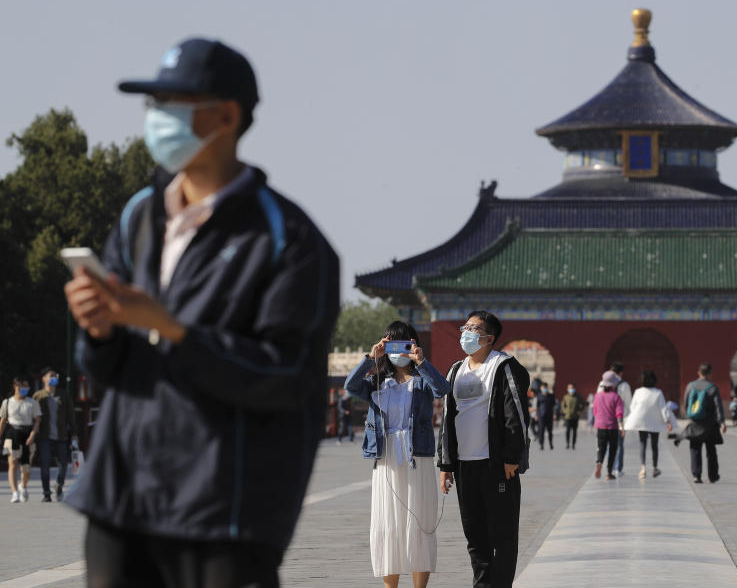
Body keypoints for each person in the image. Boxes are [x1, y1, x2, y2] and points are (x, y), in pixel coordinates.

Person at [63, 37, 340, 587]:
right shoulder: (140, 216)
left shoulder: (289, 239)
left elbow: (284, 375)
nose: (158, 119)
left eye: (174, 103)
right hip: (123, 499)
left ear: (227, 115)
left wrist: (171, 328)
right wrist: (97, 330)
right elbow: (108, 369)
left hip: (225, 511)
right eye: (154, 104)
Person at [345, 321, 451, 588]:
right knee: (387, 523)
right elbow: (350, 385)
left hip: (418, 456)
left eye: (404, 344)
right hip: (386, 457)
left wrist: (422, 362)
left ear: (414, 345)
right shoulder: (376, 382)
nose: (398, 350)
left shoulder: (422, 382)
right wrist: (371, 358)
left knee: (420, 522)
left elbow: (442, 389)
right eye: (391, 343)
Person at [437, 310, 530, 588]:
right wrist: (446, 465)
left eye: (473, 328)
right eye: (465, 326)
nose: (465, 332)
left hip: (497, 465)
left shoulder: (504, 366)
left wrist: (512, 457)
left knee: (501, 536)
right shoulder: (456, 370)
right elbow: (447, 419)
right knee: (475, 535)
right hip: (466, 466)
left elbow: (517, 414)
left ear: (489, 338)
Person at [33, 368, 78, 502]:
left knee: (63, 466)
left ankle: (59, 486)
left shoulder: (63, 395)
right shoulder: (38, 396)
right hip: (45, 437)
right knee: (45, 465)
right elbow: (33, 417)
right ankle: (46, 493)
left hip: (61, 437)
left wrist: (75, 434)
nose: (53, 378)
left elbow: (71, 415)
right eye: (50, 376)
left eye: (55, 376)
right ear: (44, 379)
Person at [677, 364, 725, 484]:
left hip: (695, 422)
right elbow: (718, 406)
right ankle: (713, 476)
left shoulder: (690, 386)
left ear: (698, 373)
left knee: (695, 448)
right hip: (710, 423)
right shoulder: (713, 387)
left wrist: (690, 416)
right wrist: (722, 422)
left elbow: (687, 403)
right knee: (711, 450)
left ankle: (696, 475)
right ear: (710, 374)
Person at [623, 370, 671, 479]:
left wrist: (632, 418)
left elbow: (632, 407)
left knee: (642, 444)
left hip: (642, 421)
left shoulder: (638, 391)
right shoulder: (658, 392)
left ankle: (643, 468)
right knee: (655, 445)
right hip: (655, 422)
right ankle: (654, 468)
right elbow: (663, 408)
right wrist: (667, 421)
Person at [0, 378, 42, 503]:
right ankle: (14, 492)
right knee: (12, 463)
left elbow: (37, 421)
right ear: (15, 386)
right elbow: (2, 421)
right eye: (21, 386)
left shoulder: (32, 403)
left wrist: (32, 435)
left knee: (26, 468)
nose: (23, 389)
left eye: (26, 386)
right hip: (11, 434)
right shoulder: (7, 402)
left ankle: (22, 486)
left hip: (27, 434)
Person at [593, 371, 625, 481]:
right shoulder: (616, 397)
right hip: (612, 427)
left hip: (600, 426)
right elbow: (619, 414)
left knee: (601, 448)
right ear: (613, 385)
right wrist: (622, 427)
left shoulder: (597, 396)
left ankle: (599, 462)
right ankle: (609, 473)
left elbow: (595, 412)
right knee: (612, 450)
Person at [560, 384, 585, 449]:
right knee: (567, 431)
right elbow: (563, 406)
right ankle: (567, 443)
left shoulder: (578, 397)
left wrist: (580, 411)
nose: (571, 389)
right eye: (570, 388)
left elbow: (583, 404)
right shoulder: (565, 397)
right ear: (567, 389)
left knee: (574, 431)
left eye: (572, 388)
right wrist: (566, 411)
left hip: (575, 416)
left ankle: (573, 444)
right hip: (567, 417)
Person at [535, 385, 556, 450]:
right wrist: (536, 415)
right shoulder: (539, 396)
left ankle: (551, 443)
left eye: (545, 388)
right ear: (541, 388)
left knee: (550, 431)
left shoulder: (551, 396)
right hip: (541, 416)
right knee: (541, 431)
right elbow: (537, 406)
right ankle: (541, 444)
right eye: (543, 388)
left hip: (549, 415)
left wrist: (554, 414)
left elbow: (554, 406)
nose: (544, 389)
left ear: (547, 388)